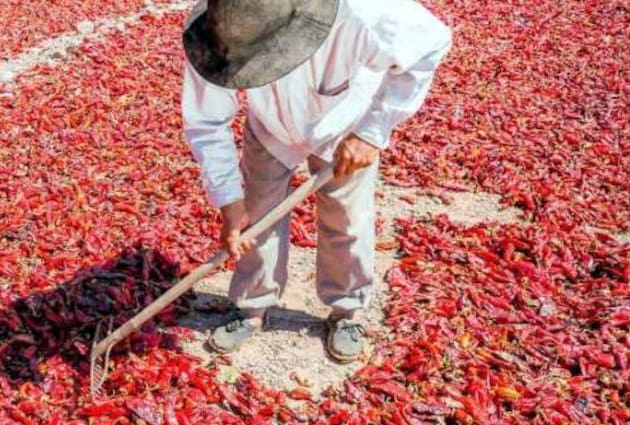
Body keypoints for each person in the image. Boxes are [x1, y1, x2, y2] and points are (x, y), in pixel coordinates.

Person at [182, 0, 452, 362]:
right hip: (270, 125)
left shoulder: (363, 12)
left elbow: (431, 43)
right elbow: (206, 123)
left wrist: (370, 134)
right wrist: (229, 200)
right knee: (257, 219)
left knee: (346, 220)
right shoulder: (217, 31)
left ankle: (346, 312)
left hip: (342, 126)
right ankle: (251, 308)